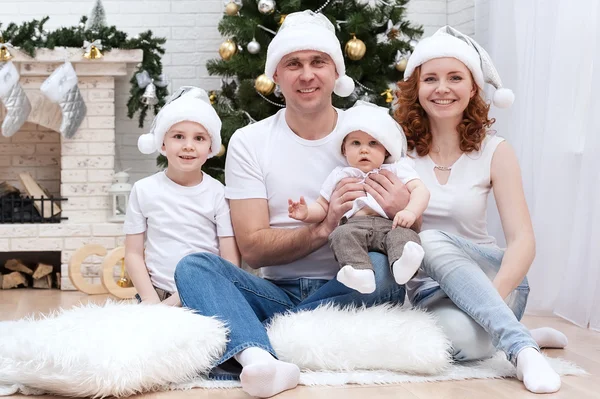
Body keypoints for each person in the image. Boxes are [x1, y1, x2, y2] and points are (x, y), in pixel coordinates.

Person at [174, 11, 409, 398]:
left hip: (354, 288)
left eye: (318, 62)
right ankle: (262, 363)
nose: (306, 75)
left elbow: (406, 226)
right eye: (293, 64)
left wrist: (401, 208)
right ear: (277, 76)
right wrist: (323, 227)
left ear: (336, 73)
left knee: (385, 268)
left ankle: (258, 335)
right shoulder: (251, 141)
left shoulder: (371, 132)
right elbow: (252, 246)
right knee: (195, 267)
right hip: (276, 289)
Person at [394, 26, 565, 394]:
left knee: (426, 239)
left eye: (455, 77)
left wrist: (491, 297)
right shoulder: (397, 152)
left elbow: (522, 240)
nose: (442, 88)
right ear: (417, 88)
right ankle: (517, 331)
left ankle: (523, 350)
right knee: (456, 345)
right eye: (431, 79)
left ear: (473, 88)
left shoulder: (494, 151)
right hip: (429, 292)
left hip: (494, 277)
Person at [288, 102, 430, 293]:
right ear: (344, 149)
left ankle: (402, 265)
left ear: (386, 150)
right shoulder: (340, 174)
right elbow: (323, 206)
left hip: (391, 225)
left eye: (373, 143)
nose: (364, 150)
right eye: (356, 143)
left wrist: (410, 212)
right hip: (354, 227)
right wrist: (306, 213)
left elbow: (421, 191)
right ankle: (359, 272)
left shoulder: (397, 169)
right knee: (339, 235)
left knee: (404, 236)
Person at [124, 87, 240, 306]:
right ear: (163, 144)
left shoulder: (218, 194)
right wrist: (150, 300)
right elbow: (133, 253)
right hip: (155, 293)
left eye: (199, 138)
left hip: (207, 291)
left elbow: (230, 260)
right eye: (178, 136)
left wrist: (178, 301)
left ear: (210, 148)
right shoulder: (143, 190)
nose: (188, 146)